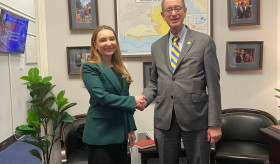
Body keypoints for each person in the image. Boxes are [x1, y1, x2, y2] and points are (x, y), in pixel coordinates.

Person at [137, 0, 222, 163]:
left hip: (196, 118)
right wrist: (145, 98)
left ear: (184, 11)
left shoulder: (204, 42)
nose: (173, 13)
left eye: (177, 8)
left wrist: (215, 124)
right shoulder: (156, 46)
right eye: (169, 10)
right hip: (164, 119)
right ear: (162, 15)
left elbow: (213, 86)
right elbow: (154, 82)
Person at [82, 25, 143, 164]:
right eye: (103, 40)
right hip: (100, 137)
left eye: (112, 39)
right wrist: (134, 101)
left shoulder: (119, 67)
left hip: (120, 134)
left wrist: (130, 129)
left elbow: (124, 100)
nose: (109, 43)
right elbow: (102, 97)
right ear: (95, 45)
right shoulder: (90, 67)